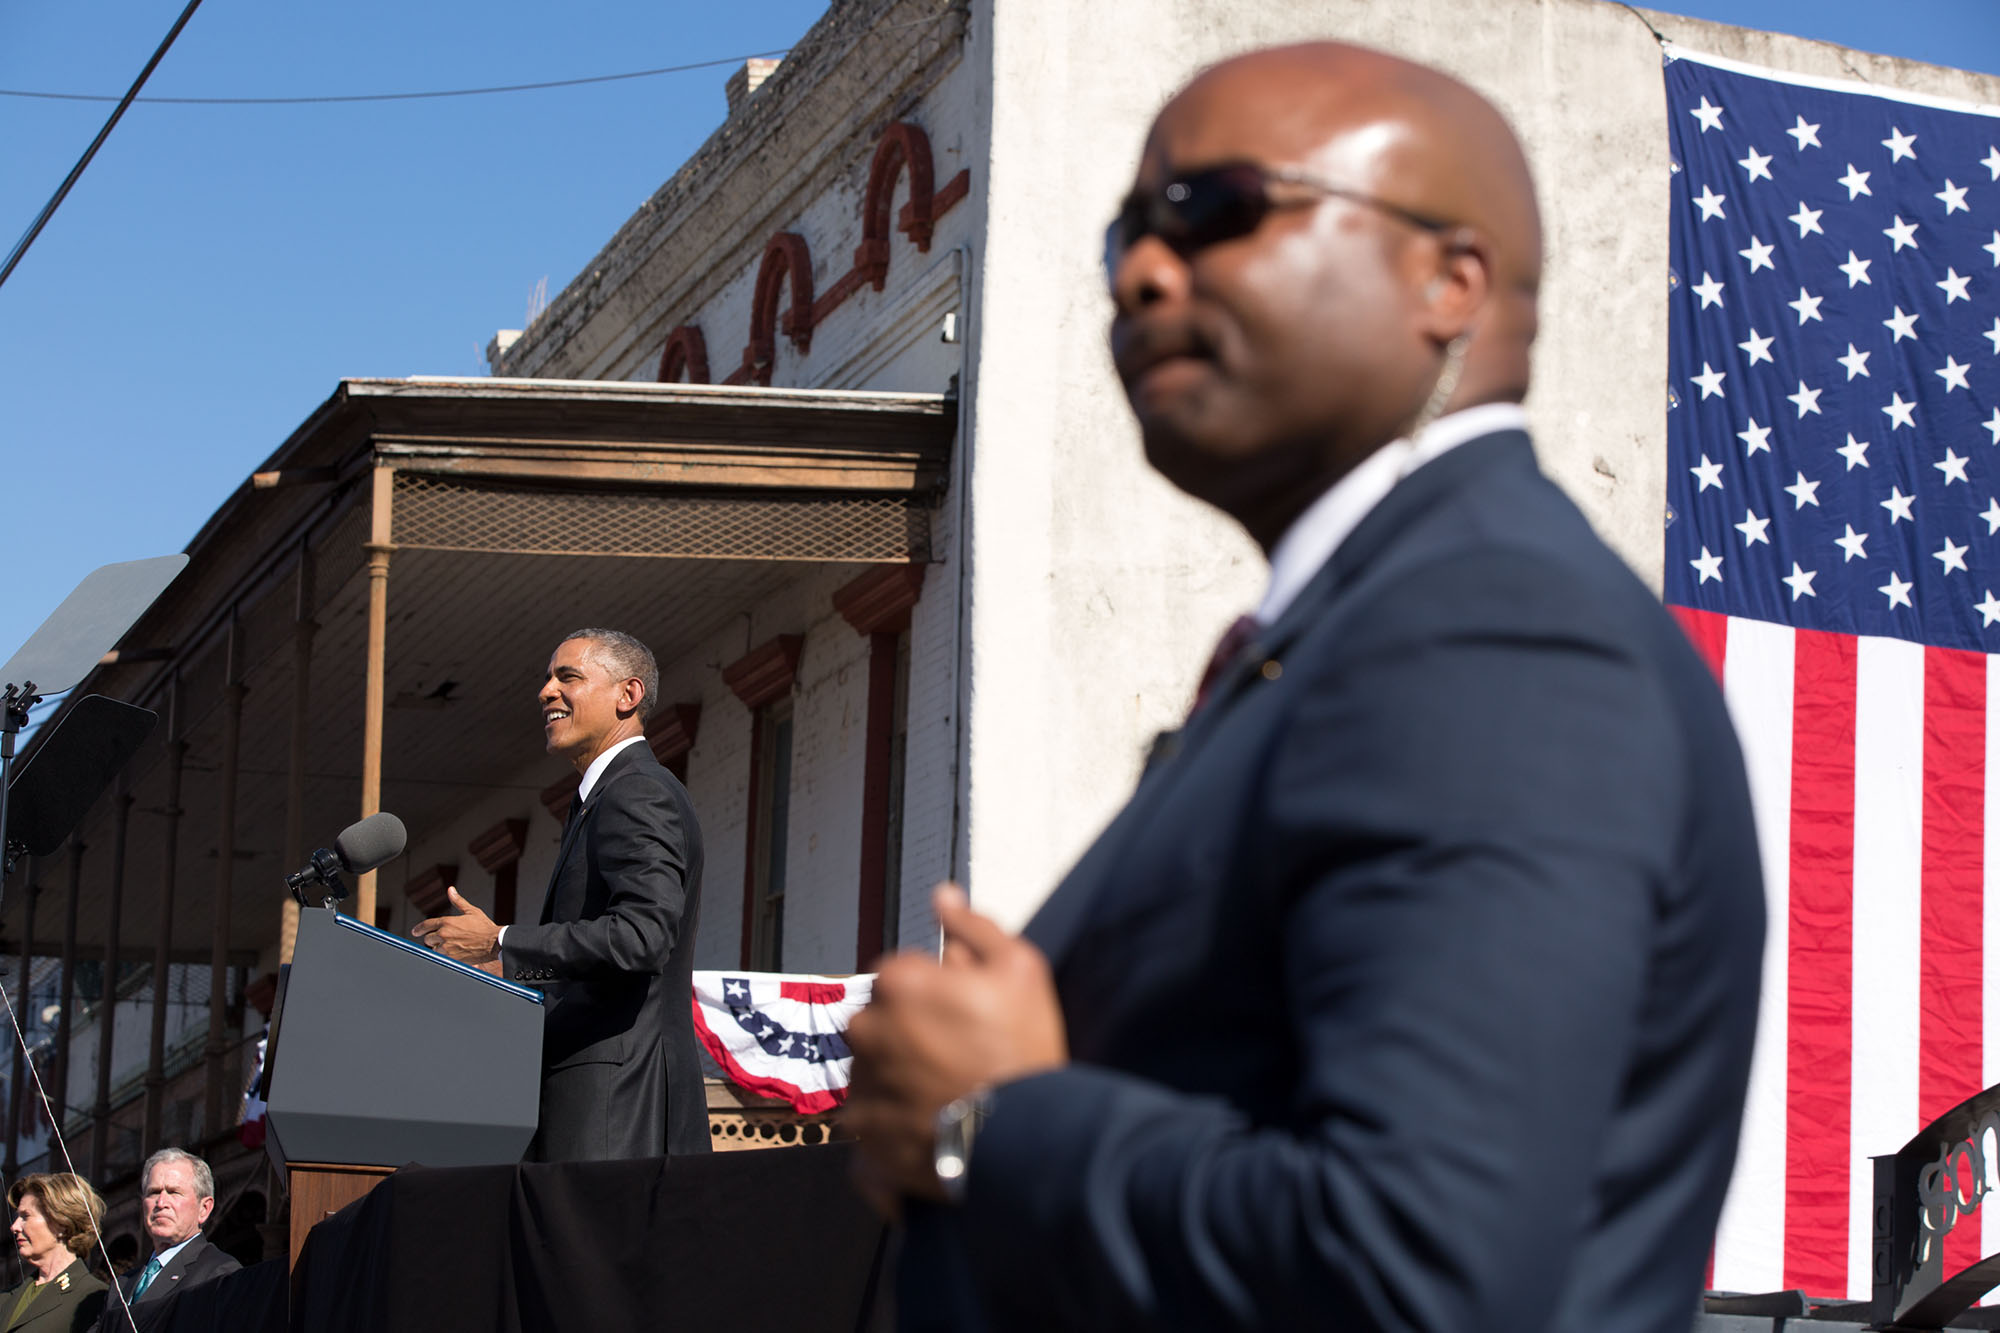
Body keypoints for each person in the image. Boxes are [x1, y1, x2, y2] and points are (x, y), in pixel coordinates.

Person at [843, 40, 1764, 1332]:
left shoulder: (1491, 634)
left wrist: (993, 1120)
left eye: (1217, 212)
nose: (1148, 271)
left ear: (1450, 281)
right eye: (1124, 240)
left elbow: (1416, 1267)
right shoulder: (1362, 630)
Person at [414, 628, 709, 1161]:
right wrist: (509, 970)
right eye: (547, 679)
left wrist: (502, 940)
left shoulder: (635, 790)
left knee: (591, 1246)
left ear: (628, 695)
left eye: (567, 677)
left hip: (617, 1103)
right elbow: (607, 953)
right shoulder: (603, 796)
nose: (546, 691)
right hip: (599, 1096)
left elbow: (643, 937)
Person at [106, 1150, 239, 1315]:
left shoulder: (220, 1274)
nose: (161, 1203)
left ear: (204, 1209)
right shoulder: (121, 1286)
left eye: (174, 1192)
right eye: (153, 1192)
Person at [2, 1174, 105, 1332]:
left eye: (25, 1216)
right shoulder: (5, 1298)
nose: (15, 1226)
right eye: (17, 1217)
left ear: (61, 1223)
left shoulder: (95, 1298)